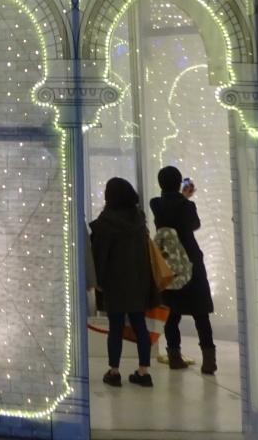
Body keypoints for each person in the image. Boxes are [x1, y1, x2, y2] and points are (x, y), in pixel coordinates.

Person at [90, 177, 161, 388]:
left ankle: (114, 372)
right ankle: (144, 372)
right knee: (140, 326)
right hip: (139, 280)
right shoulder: (139, 219)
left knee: (116, 327)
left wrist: (97, 280)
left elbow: (100, 255)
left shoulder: (106, 222)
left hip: (115, 282)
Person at [150, 165, 216, 375]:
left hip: (168, 262)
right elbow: (194, 225)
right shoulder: (188, 206)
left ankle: (174, 357)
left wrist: (182, 198)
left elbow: (169, 214)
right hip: (191, 260)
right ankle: (209, 362)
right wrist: (185, 199)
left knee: (172, 312)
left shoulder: (155, 204)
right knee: (200, 313)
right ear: (180, 183)